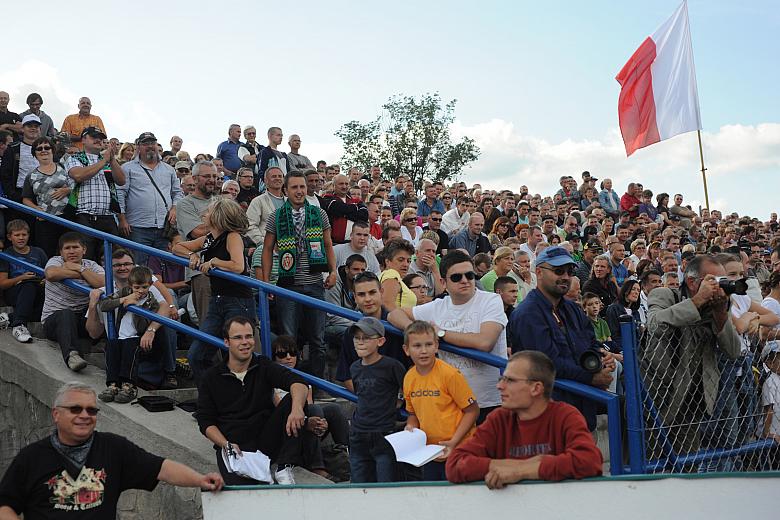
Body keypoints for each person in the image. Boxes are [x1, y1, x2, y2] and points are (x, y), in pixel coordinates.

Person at [0, 382, 223, 519]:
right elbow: (5, 505)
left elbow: (161, 468)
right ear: (56, 414)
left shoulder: (113, 448)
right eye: (75, 409)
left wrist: (201, 480)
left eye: (91, 410)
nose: (85, 415)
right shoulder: (32, 457)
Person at [445, 351, 603, 486]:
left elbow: (590, 461)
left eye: (510, 380)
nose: (500, 386)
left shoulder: (565, 416)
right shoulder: (499, 419)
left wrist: (521, 471)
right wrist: (513, 466)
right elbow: (455, 464)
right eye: (502, 379)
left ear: (536, 388)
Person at [196, 316, 321, 485]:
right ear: (226, 342)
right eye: (238, 337)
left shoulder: (263, 365)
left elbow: (298, 382)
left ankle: (284, 467)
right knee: (243, 496)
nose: (245, 342)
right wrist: (226, 444)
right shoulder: (211, 377)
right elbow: (205, 421)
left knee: (296, 397)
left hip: (265, 440)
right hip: (235, 446)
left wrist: (297, 410)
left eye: (249, 336)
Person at [389, 250, 508, 424]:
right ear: (443, 282)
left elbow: (485, 342)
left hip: (490, 401)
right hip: (452, 401)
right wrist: (416, 330)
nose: (465, 280)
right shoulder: (438, 306)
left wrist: (441, 334)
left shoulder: (491, 300)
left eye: (469, 275)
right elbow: (394, 314)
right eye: (456, 277)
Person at [643, 254, 742, 453]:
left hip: (692, 405)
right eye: (712, 281)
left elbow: (733, 351)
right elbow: (655, 325)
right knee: (650, 468)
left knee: (688, 471)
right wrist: (697, 301)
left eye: (722, 281)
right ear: (692, 281)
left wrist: (721, 312)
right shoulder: (665, 295)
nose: (719, 286)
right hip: (657, 400)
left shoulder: (717, 307)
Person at [509, 246, 615, 430]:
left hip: (581, 409)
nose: (565, 276)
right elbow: (547, 363)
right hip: (548, 416)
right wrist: (591, 378)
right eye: (558, 271)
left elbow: (589, 340)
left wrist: (600, 357)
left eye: (569, 271)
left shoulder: (572, 308)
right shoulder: (527, 313)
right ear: (539, 272)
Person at [261, 171, 337, 381]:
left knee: (318, 339)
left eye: (302, 187)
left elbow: (328, 244)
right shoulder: (276, 216)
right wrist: (266, 282)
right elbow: (267, 249)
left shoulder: (319, 213)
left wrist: (333, 271)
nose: (299, 191)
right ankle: (289, 383)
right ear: (285, 190)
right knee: (289, 339)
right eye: (294, 187)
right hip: (288, 285)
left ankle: (317, 385)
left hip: (314, 283)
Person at [173, 198, 255, 385]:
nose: (204, 215)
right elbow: (178, 247)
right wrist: (192, 254)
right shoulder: (209, 237)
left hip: (237, 301)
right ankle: (214, 397)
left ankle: (238, 399)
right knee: (197, 355)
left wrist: (215, 262)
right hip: (217, 301)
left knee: (237, 356)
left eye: (208, 212)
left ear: (218, 216)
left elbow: (238, 266)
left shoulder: (232, 236)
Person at [402, 320, 479, 480]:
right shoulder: (409, 377)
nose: (424, 351)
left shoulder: (449, 374)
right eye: (417, 346)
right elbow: (413, 414)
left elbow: (472, 410)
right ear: (406, 350)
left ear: (436, 346)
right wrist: (410, 427)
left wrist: (454, 441)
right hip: (429, 452)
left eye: (428, 344)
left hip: (459, 450)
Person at [96, 266, 168, 404]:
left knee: (130, 348)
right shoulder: (124, 292)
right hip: (121, 336)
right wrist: (124, 300)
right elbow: (104, 305)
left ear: (150, 286)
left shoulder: (151, 302)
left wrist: (137, 309)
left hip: (137, 337)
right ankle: (112, 385)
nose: (140, 291)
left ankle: (129, 386)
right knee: (111, 345)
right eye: (137, 287)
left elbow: (147, 323)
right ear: (130, 285)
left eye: (144, 287)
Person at [348, 317, 407, 483]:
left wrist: (399, 402)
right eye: (357, 338)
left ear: (380, 341)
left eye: (366, 338)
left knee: (386, 487)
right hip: (358, 434)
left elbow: (406, 389)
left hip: (385, 433)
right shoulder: (354, 367)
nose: (360, 342)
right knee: (360, 487)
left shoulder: (392, 366)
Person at [41, 232, 106, 371]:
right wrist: (87, 275)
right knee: (66, 313)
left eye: (75, 247)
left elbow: (103, 282)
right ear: (61, 252)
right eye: (67, 248)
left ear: (84, 249)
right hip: (55, 320)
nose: (71, 251)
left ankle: (106, 346)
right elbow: (51, 274)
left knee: (106, 305)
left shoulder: (91, 264)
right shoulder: (56, 261)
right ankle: (72, 356)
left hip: (82, 319)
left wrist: (79, 268)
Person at [118, 132, 183, 267]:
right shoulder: (127, 168)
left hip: (163, 228)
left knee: (162, 267)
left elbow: (177, 192)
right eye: (145, 143)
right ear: (138, 147)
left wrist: (175, 208)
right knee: (137, 267)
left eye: (152, 143)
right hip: (137, 227)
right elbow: (120, 194)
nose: (150, 146)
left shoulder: (169, 169)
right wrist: (122, 219)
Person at [63, 126, 126, 260]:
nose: (98, 140)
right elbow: (79, 175)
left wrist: (112, 159)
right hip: (84, 217)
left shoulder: (108, 160)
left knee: (114, 258)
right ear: (83, 140)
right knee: (87, 257)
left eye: (101, 138)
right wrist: (104, 161)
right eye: (94, 137)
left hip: (108, 217)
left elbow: (121, 181)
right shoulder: (74, 158)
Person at [175, 160, 217, 323]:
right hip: (201, 270)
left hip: (227, 267)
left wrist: (208, 222)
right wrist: (223, 222)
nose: (212, 180)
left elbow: (239, 225)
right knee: (208, 321)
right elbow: (197, 232)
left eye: (214, 176)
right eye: (207, 176)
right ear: (194, 178)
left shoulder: (221, 200)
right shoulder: (185, 204)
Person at [20, 136, 73, 257]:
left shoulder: (64, 167)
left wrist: (67, 190)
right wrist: (36, 209)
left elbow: (78, 186)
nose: (43, 150)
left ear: (52, 150)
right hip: (45, 220)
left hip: (68, 217)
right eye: (39, 148)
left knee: (70, 252)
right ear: (35, 153)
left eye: (47, 147)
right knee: (47, 253)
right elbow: (25, 199)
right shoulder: (31, 175)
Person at [0, 220, 47, 342]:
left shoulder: (39, 252)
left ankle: (9, 318)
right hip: (15, 292)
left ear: (28, 235)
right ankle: (19, 325)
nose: (21, 238)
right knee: (29, 284)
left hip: (38, 289)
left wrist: (44, 281)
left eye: (24, 235)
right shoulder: (6, 254)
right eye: (17, 235)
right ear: (10, 237)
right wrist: (22, 278)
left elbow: (48, 274)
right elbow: (3, 284)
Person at [324, 254, 367, 340]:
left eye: (363, 270)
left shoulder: (362, 284)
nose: (360, 273)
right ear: (347, 269)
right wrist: (358, 324)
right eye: (356, 269)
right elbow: (333, 316)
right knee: (356, 334)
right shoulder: (334, 284)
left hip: (353, 323)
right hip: (331, 325)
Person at [322, 174, 368, 244]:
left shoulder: (357, 201)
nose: (344, 186)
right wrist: (354, 208)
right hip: (334, 243)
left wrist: (342, 214)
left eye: (346, 184)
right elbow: (336, 208)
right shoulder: (327, 198)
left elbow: (364, 216)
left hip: (354, 243)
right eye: (341, 184)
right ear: (334, 186)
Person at [246, 166, 285, 246]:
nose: (277, 178)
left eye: (280, 176)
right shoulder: (257, 201)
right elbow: (250, 225)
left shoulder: (290, 201)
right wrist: (264, 243)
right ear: (266, 180)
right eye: (274, 176)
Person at [379, 238, 417, 311]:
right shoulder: (391, 274)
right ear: (387, 261)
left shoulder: (394, 277)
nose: (406, 264)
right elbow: (387, 304)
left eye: (409, 261)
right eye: (401, 260)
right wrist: (406, 322)